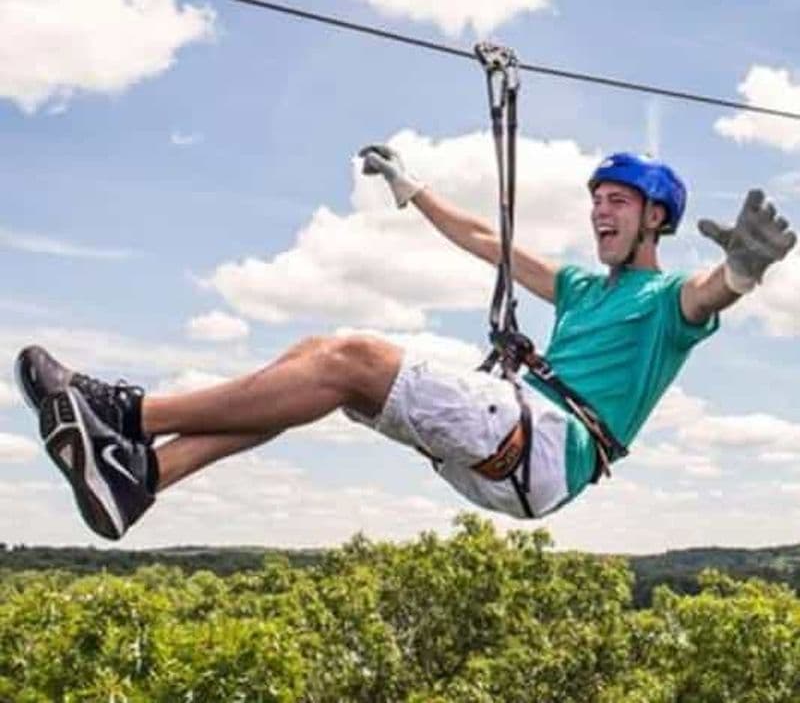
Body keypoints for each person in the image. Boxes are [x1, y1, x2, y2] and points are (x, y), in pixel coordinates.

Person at [15, 148, 797, 540]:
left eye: (618, 201)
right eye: (596, 200)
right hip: (517, 447)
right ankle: (142, 476)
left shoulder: (665, 302)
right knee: (319, 369)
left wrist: (742, 268)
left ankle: (126, 413)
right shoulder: (583, 287)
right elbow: (485, 237)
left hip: (546, 444)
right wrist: (415, 190)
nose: (601, 212)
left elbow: (710, 293)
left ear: (655, 218)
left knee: (347, 359)